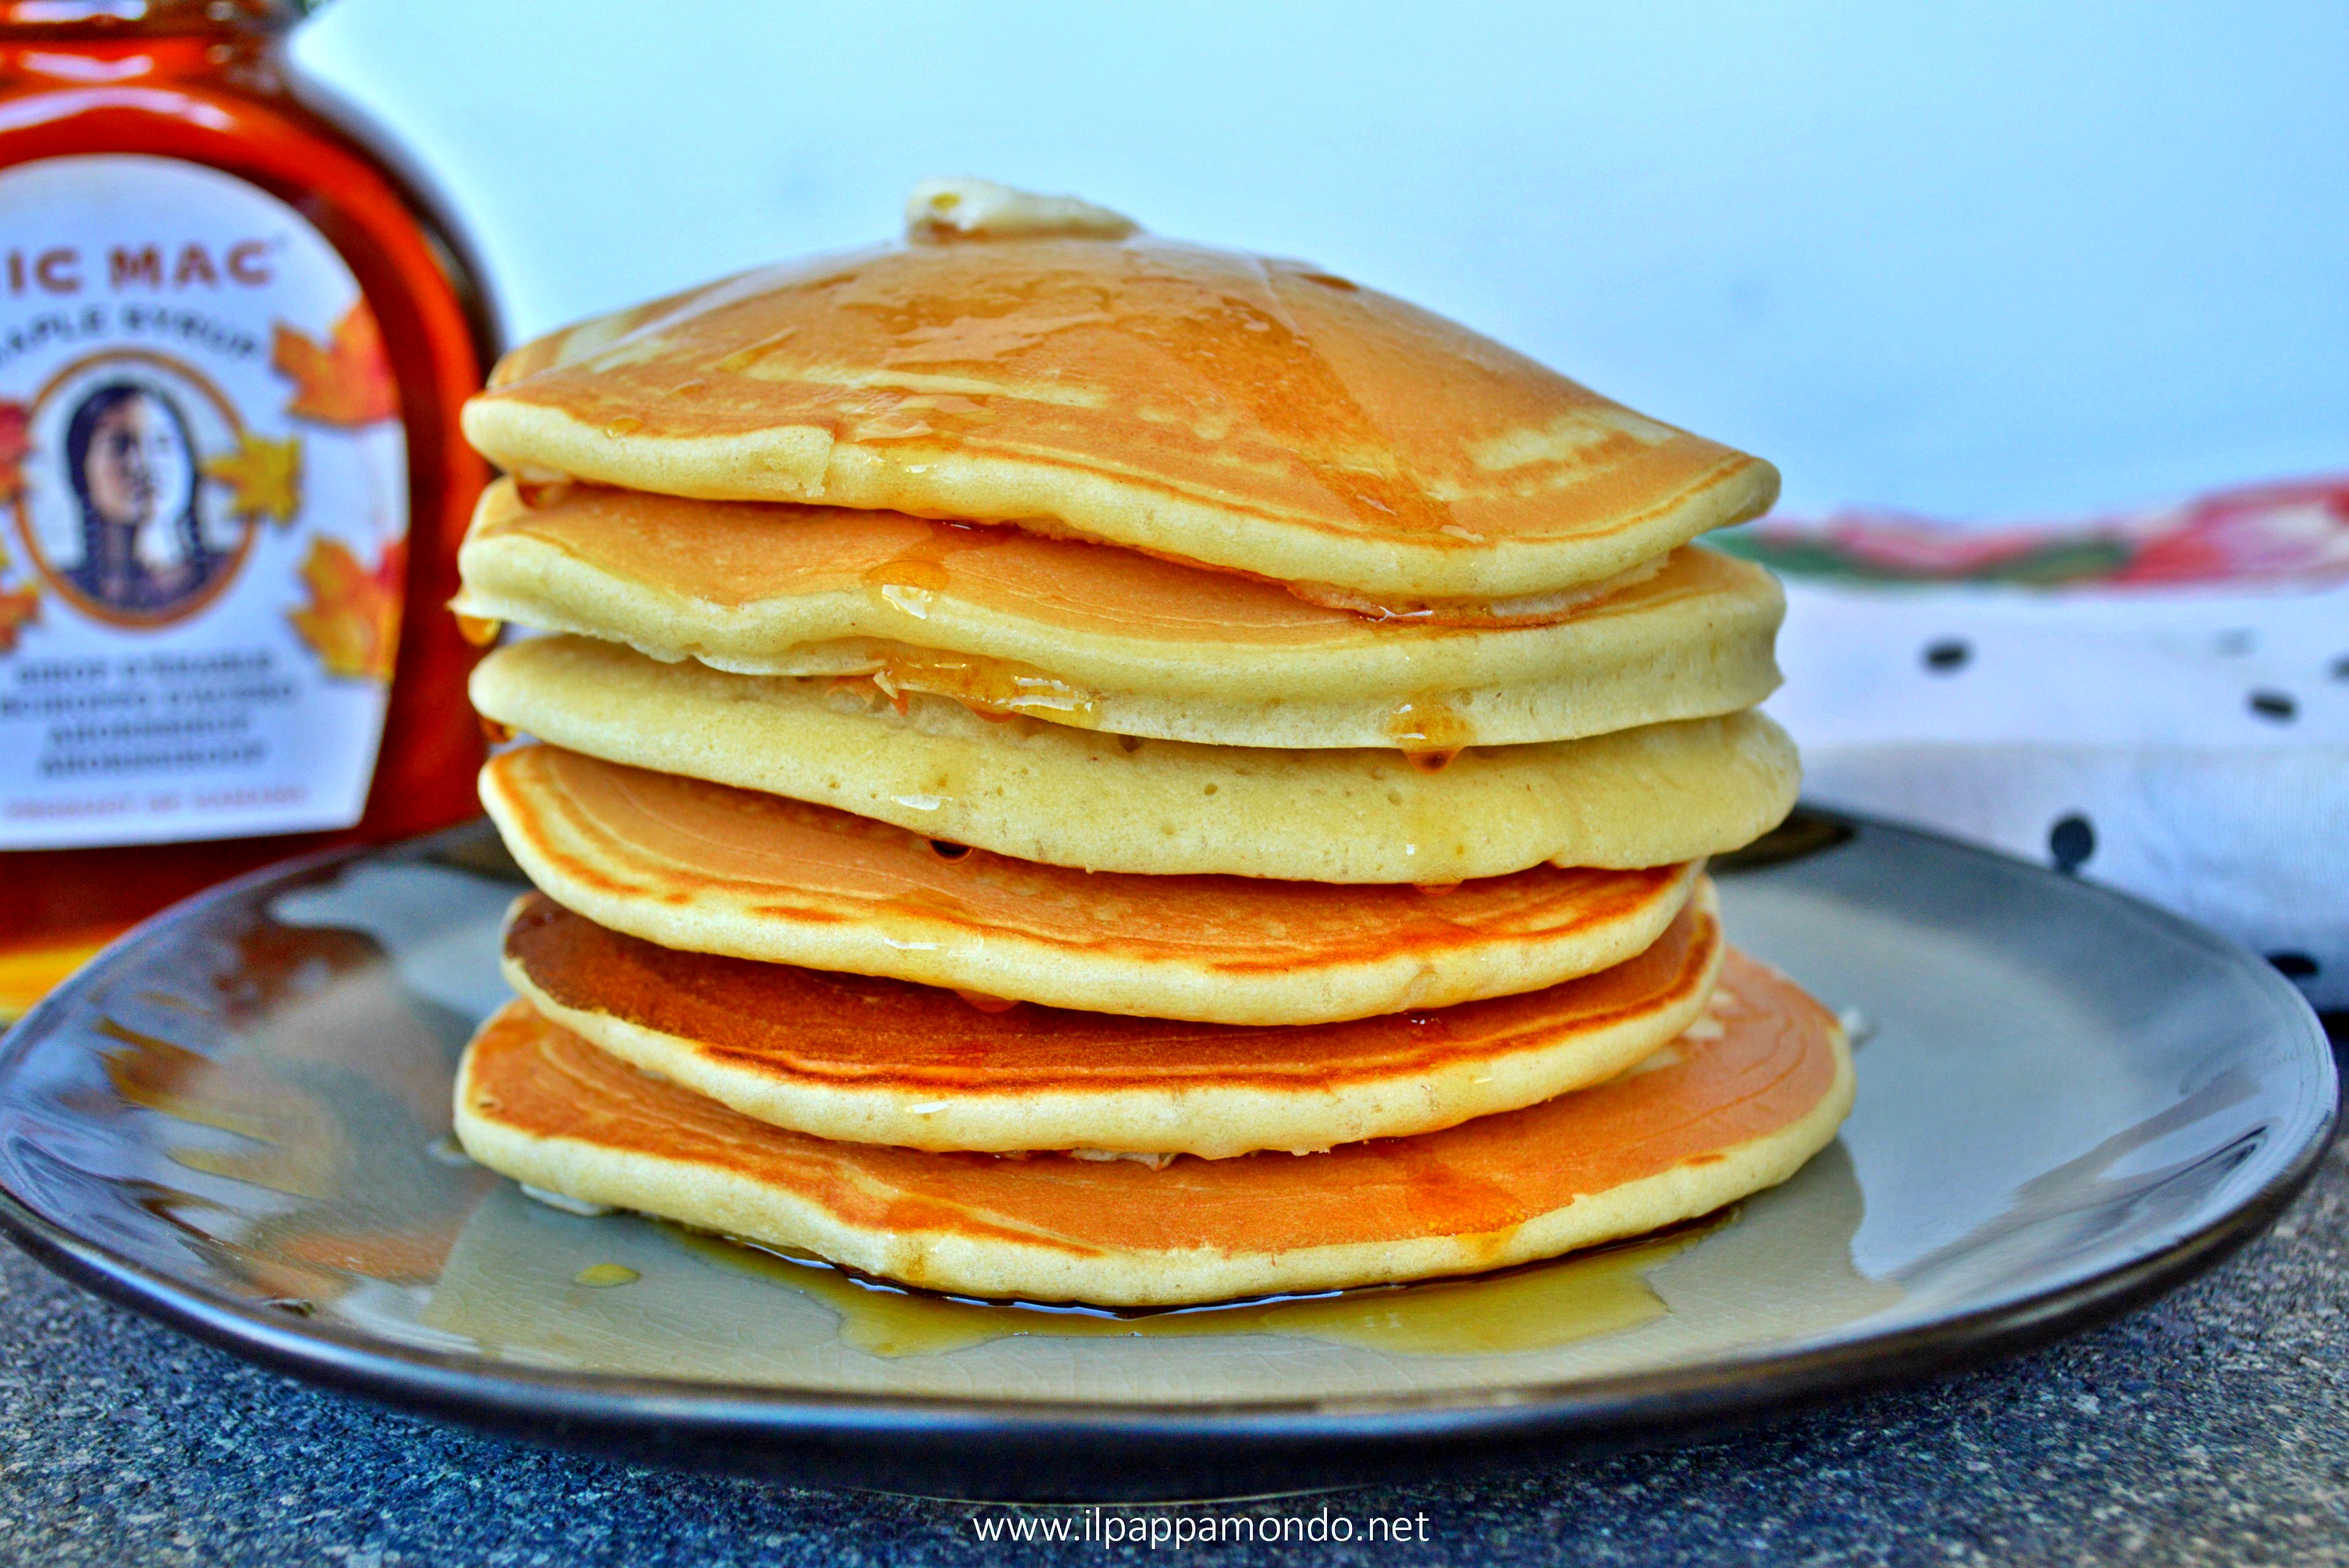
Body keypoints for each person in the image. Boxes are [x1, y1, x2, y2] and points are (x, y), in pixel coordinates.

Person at [62, 381, 218, 614]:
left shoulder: (230, 575)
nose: (143, 465)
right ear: (81, 474)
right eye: (120, 445)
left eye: (162, 443)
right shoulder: (57, 592)